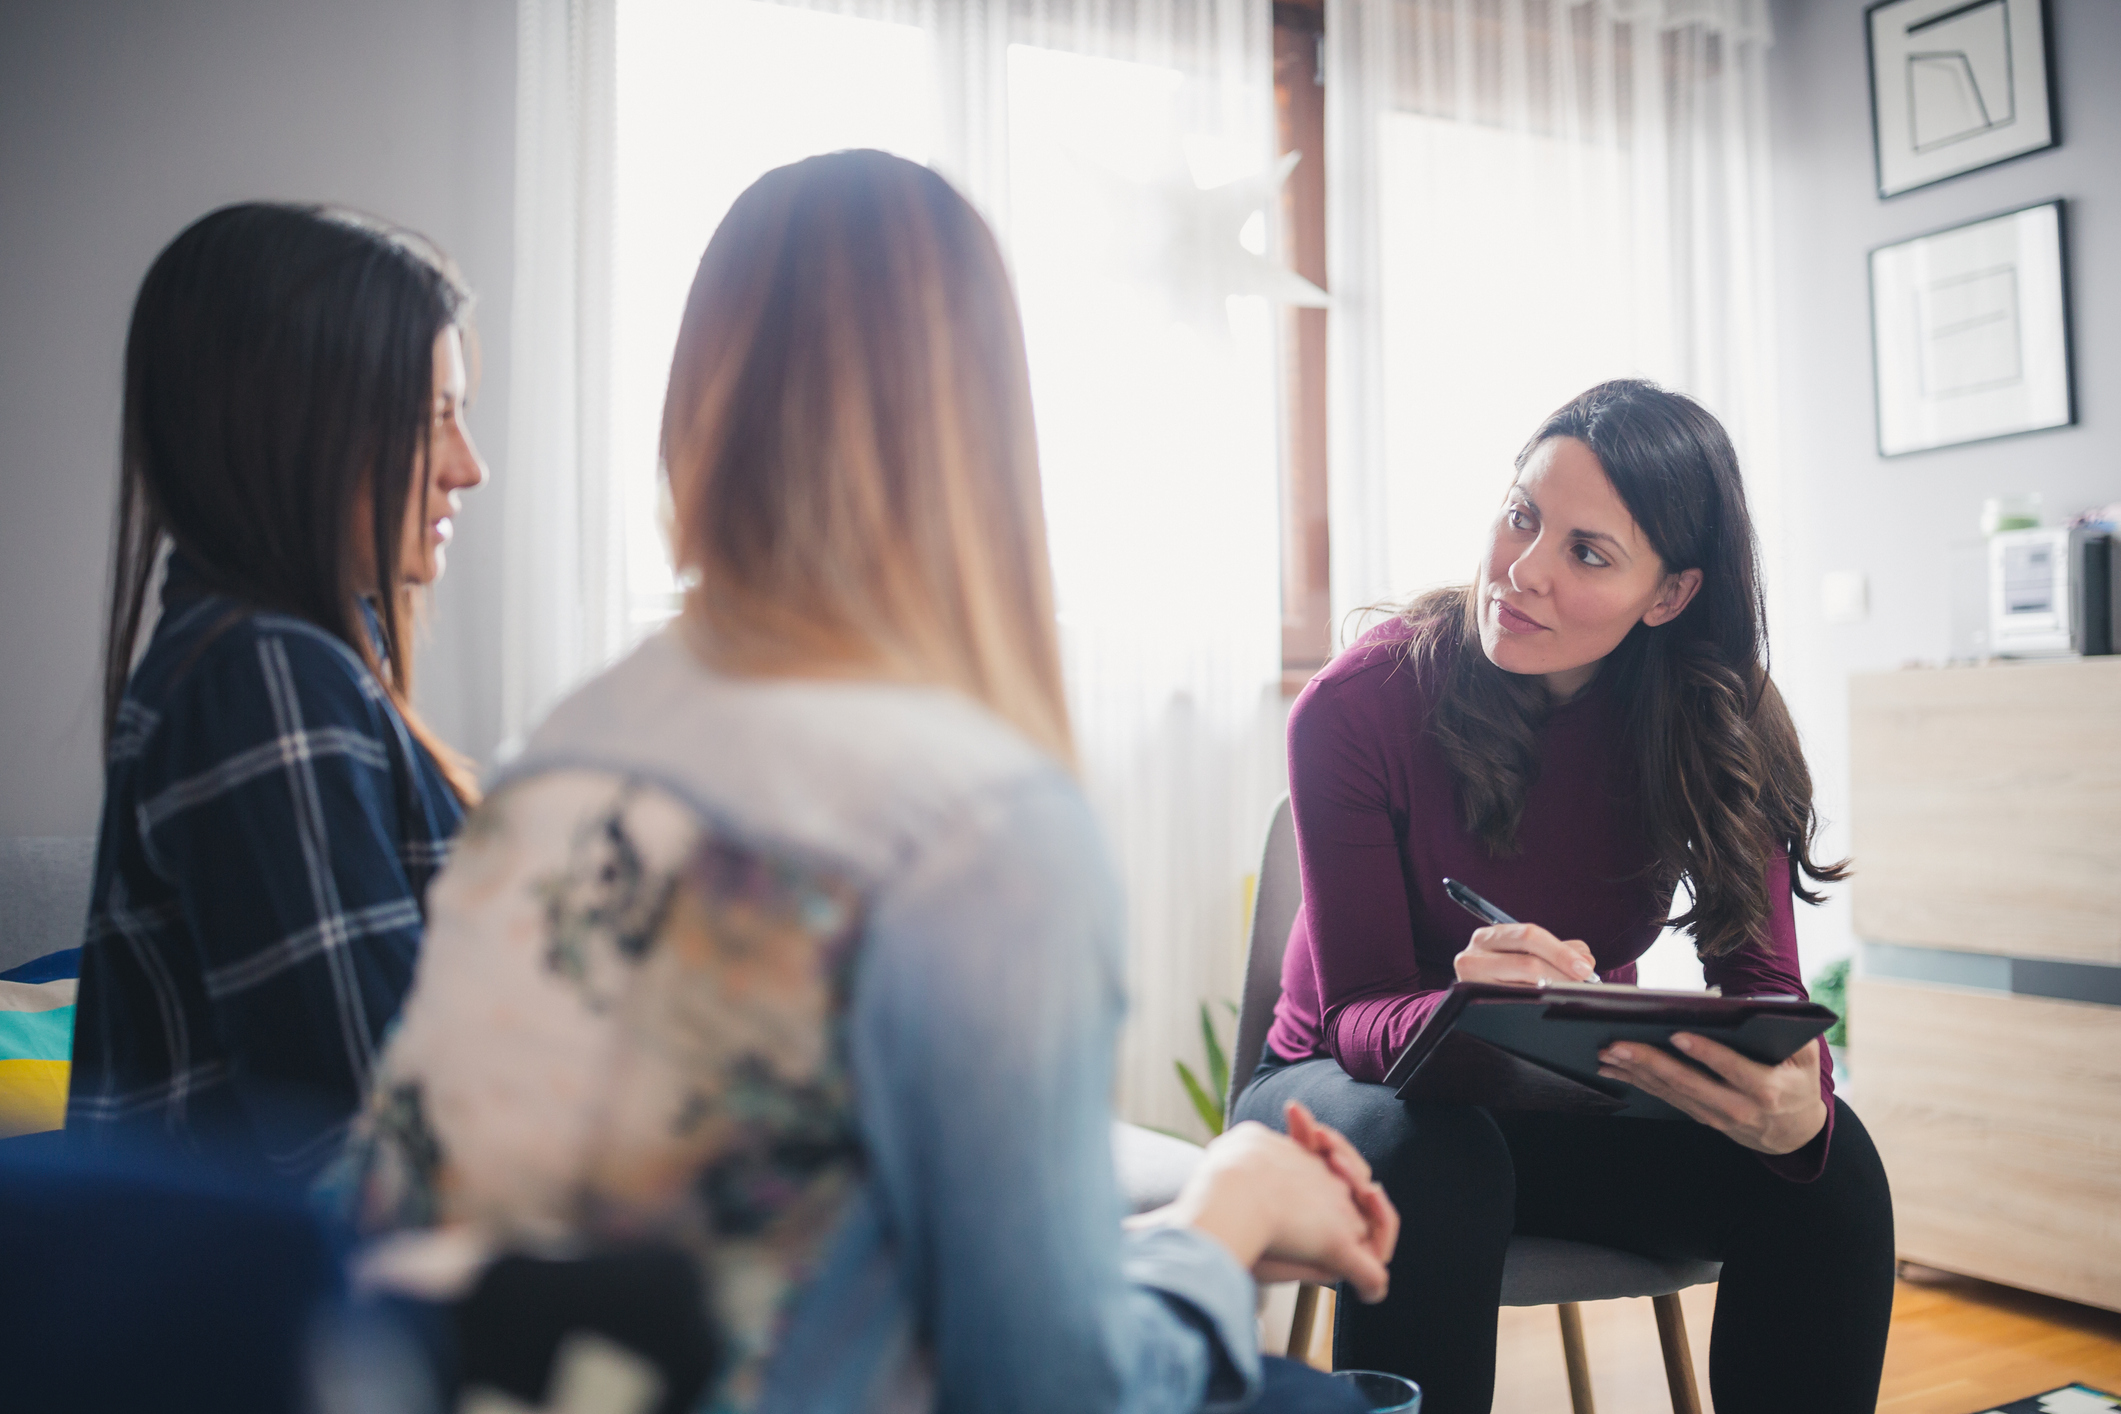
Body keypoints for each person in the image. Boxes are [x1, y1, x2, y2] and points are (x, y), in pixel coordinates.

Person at [333, 150, 1396, 1413]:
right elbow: (1057, 1390)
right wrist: (1221, 1215)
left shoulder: (564, 746)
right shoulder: (978, 824)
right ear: (986, 426)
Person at [1233, 380, 1896, 1414]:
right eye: (1521, 515)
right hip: (1331, 1092)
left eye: (1587, 552)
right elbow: (1354, 1014)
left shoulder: (1718, 719)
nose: (1522, 572)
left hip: (1546, 1101)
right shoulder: (1359, 705)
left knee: (1832, 1165)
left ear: (1669, 595)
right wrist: (1462, 1005)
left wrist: (1794, 1104)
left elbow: (1763, 985)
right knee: (1436, 1156)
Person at [68, 203, 487, 1185]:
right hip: (258, 1322)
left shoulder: (285, 658)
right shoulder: (260, 678)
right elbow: (367, 1140)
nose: (469, 467)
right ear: (298, 432)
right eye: (434, 421)